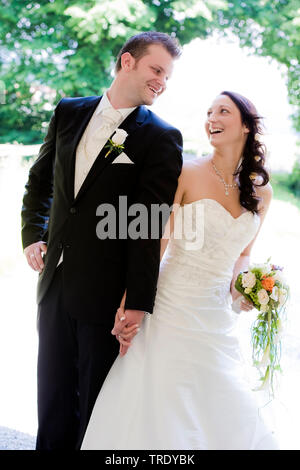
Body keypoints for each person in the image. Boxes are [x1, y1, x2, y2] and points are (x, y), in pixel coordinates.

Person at [81, 91, 279, 450]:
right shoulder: (186, 172)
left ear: (247, 126)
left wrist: (242, 288)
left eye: (223, 111)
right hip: (171, 304)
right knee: (164, 396)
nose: (212, 119)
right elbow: (157, 243)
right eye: (208, 112)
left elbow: (243, 255)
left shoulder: (261, 192)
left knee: (221, 396)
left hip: (216, 315)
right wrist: (132, 298)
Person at [21, 31, 183, 450]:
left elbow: (148, 223)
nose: (162, 82)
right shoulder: (68, 112)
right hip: (54, 282)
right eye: (156, 69)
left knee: (95, 404)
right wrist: (33, 236)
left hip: (106, 294)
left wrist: (138, 302)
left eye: (167, 76)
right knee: (51, 395)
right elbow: (40, 184)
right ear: (128, 61)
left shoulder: (161, 137)